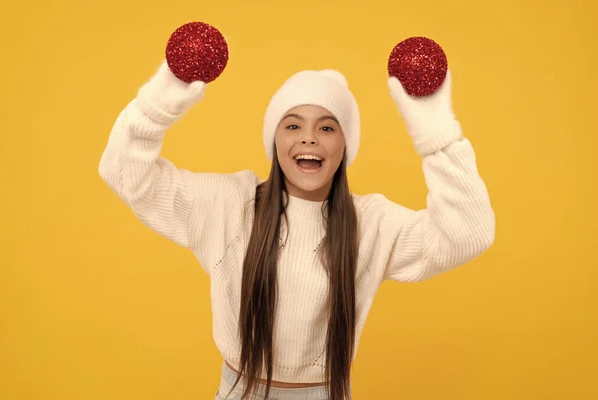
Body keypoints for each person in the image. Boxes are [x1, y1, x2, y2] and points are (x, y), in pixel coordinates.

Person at [98, 58, 495, 400]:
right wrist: (157, 106)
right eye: (292, 125)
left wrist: (437, 134)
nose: (309, 137)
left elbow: (468, 232)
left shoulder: (371, 223)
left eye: (326, 127)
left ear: (344, 145)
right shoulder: (228, 204)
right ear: (274, 140)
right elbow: (123, 172)